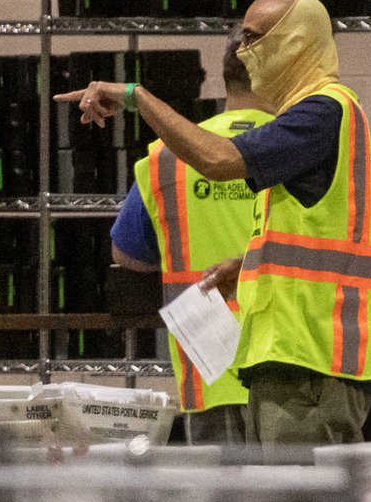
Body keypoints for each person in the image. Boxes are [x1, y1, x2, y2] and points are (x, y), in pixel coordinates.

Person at [56, 0, 371, 448]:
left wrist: (135, 96)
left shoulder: (324, 111)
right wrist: (247, 266)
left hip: (310, 363)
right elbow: (321, 237)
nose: (244, 50)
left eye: (256, 37)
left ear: (296, 42)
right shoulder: (312, 122)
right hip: (289, 363)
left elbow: (217, 161)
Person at [110, 29, 275, 445]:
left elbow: (126, 253)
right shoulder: (301, 145)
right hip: (288, 371)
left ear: (225, 77)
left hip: (209, 367)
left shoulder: (168, 156)